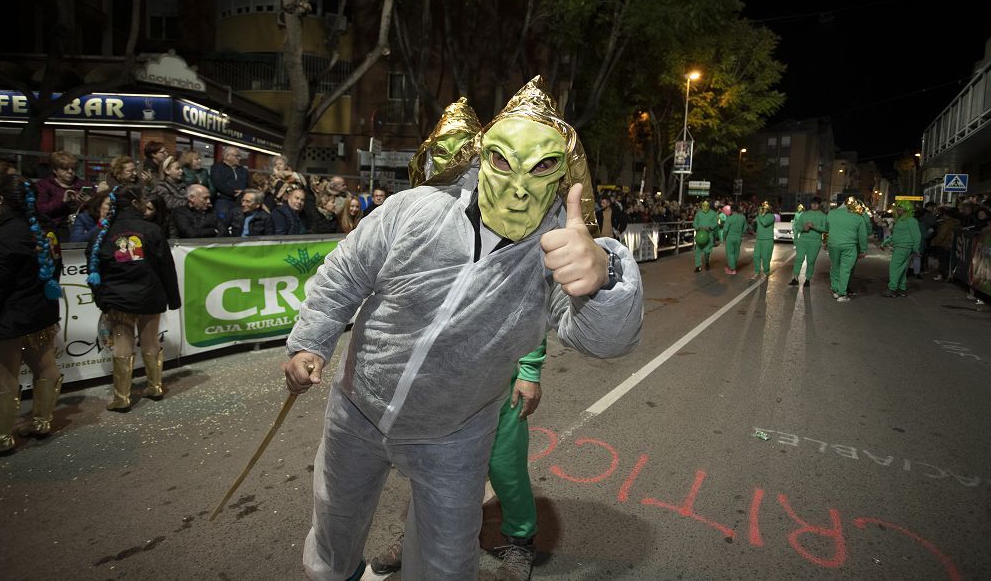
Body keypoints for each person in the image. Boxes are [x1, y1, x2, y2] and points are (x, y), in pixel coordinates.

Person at [282, 78, 642, 581]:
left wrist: (603, 277)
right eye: (502, 161)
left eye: (541, 168)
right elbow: (344, 275)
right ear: (480, 157)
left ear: (563, 175)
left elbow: (607, 341)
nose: (519, 188)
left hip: (454, 434)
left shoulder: (557, 247)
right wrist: (309, 343)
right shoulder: (415, 211)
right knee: (333, 531)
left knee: (447, 563)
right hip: (357, 411)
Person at [370, 99, 556, 580]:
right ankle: (420, 533)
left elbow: (531, 301)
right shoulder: (429, 217)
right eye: (441, 152)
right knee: (427, 462)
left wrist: (530, 370)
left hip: (499, 374)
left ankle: (518, 538)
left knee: (504, 464)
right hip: (439, 376)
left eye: (460, 152)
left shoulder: (514, 215)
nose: (448, 162)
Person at [0, 176, 65, 457]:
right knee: (45, 366)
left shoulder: (0, 238)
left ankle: (0, 437)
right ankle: (41, 421)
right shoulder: (47, 230)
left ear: (1, 200)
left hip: (9, 319)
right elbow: (55, 270)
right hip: (42, 314)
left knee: (3, 376)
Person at [85, 185, 180, 410]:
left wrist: (102, 300)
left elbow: (93, 268)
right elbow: (166, 267)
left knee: (122, 342)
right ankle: (155, 387)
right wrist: (173, 299)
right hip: (150, 294)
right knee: (150, 340)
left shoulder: (102, 234)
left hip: (118, 299)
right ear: (136, 203)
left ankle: (121, 397)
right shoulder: (151, 229)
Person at [36, 150, 93, 240]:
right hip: (56, 228)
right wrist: (62, 201)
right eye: (65, 169)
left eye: (73, 168)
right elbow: (40, 210)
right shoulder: (43, 185)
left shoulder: (86, 185)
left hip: (82, 227)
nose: (70, 172)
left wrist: (91, 202)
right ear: (55, 170)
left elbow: (100, 207)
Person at [826, 197, 869, 302]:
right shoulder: (858, 216)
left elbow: (827, 229)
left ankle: (835, 290)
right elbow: (863, 235)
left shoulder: (831, 213)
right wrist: (863, 250)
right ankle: (842, 294)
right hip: (849, 246)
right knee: (845, 269)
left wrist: (825, 242)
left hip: (833, 244)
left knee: (835, 267)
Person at [880, 200, 921, 297]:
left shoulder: (911, 220)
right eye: (898, 206)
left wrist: (916, 248)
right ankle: (902, 288)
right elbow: (896, 236)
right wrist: (885, 243)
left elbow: (916, 235)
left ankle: (892, 289)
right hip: (902, 246)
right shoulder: (901, 220)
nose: (899, 208)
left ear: (907, 208)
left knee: (894, 268)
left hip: (903, 247)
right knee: (902, 268)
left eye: (901, 206)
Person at [789, 197, 827, 287]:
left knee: (811, 261)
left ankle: (807, 279)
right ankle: (795, 278)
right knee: (799, 259)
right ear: (810, 204)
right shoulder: (804, 214)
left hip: (815, 241)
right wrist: (803, 228)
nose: (814, 205)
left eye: (816, 203)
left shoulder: (823, 216)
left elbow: (826, 229)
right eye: (813, 203)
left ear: (819, 205)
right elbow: (797, 226)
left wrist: (814, 227)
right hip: (803, 240)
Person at [210, 147, 249, 221]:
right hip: (224, 200)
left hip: (241, 200)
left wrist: (243, 191)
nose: (239, 158)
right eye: (237, 156)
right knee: (222, 221)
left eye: (239, 156)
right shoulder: (217, 168)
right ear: (227, 156)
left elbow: (246, 184)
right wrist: (234, 193)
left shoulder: (244, 170)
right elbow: (218, 183)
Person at [751, 201, 776, 279]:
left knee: (765, 257)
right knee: (756, 256)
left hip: (767, 239)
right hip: (759, 239)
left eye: (765, 208)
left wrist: (759, 215)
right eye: (762, 208)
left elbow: (764, 223)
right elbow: (753, 222)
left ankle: (766, 272)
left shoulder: (771, 216)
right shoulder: (759, 216)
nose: (763, 209)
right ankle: (757, 272)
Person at [692, 200, 717, 272]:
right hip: (700, 235)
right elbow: (694, 223)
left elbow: (715, 223)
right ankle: (698, 266)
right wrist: (698, 227)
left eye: (707, 205)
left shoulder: (713, 214)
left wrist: (709, 227)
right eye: (703, 205)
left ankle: (707, 262)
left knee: (707, 251)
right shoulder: (698, 214)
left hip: (709, 235)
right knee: (698, 251)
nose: (705, 207)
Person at [722, 203, 746, 275]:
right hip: (738, 237)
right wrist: (741, 234)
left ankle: (732, 269)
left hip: (730, 237)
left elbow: (725, 230)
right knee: (736, 253)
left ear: (731, 210)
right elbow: (745, 228)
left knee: (730, 253)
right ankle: (732, 266)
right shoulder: (742, 217)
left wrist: (724, 238)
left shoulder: (730, 218)